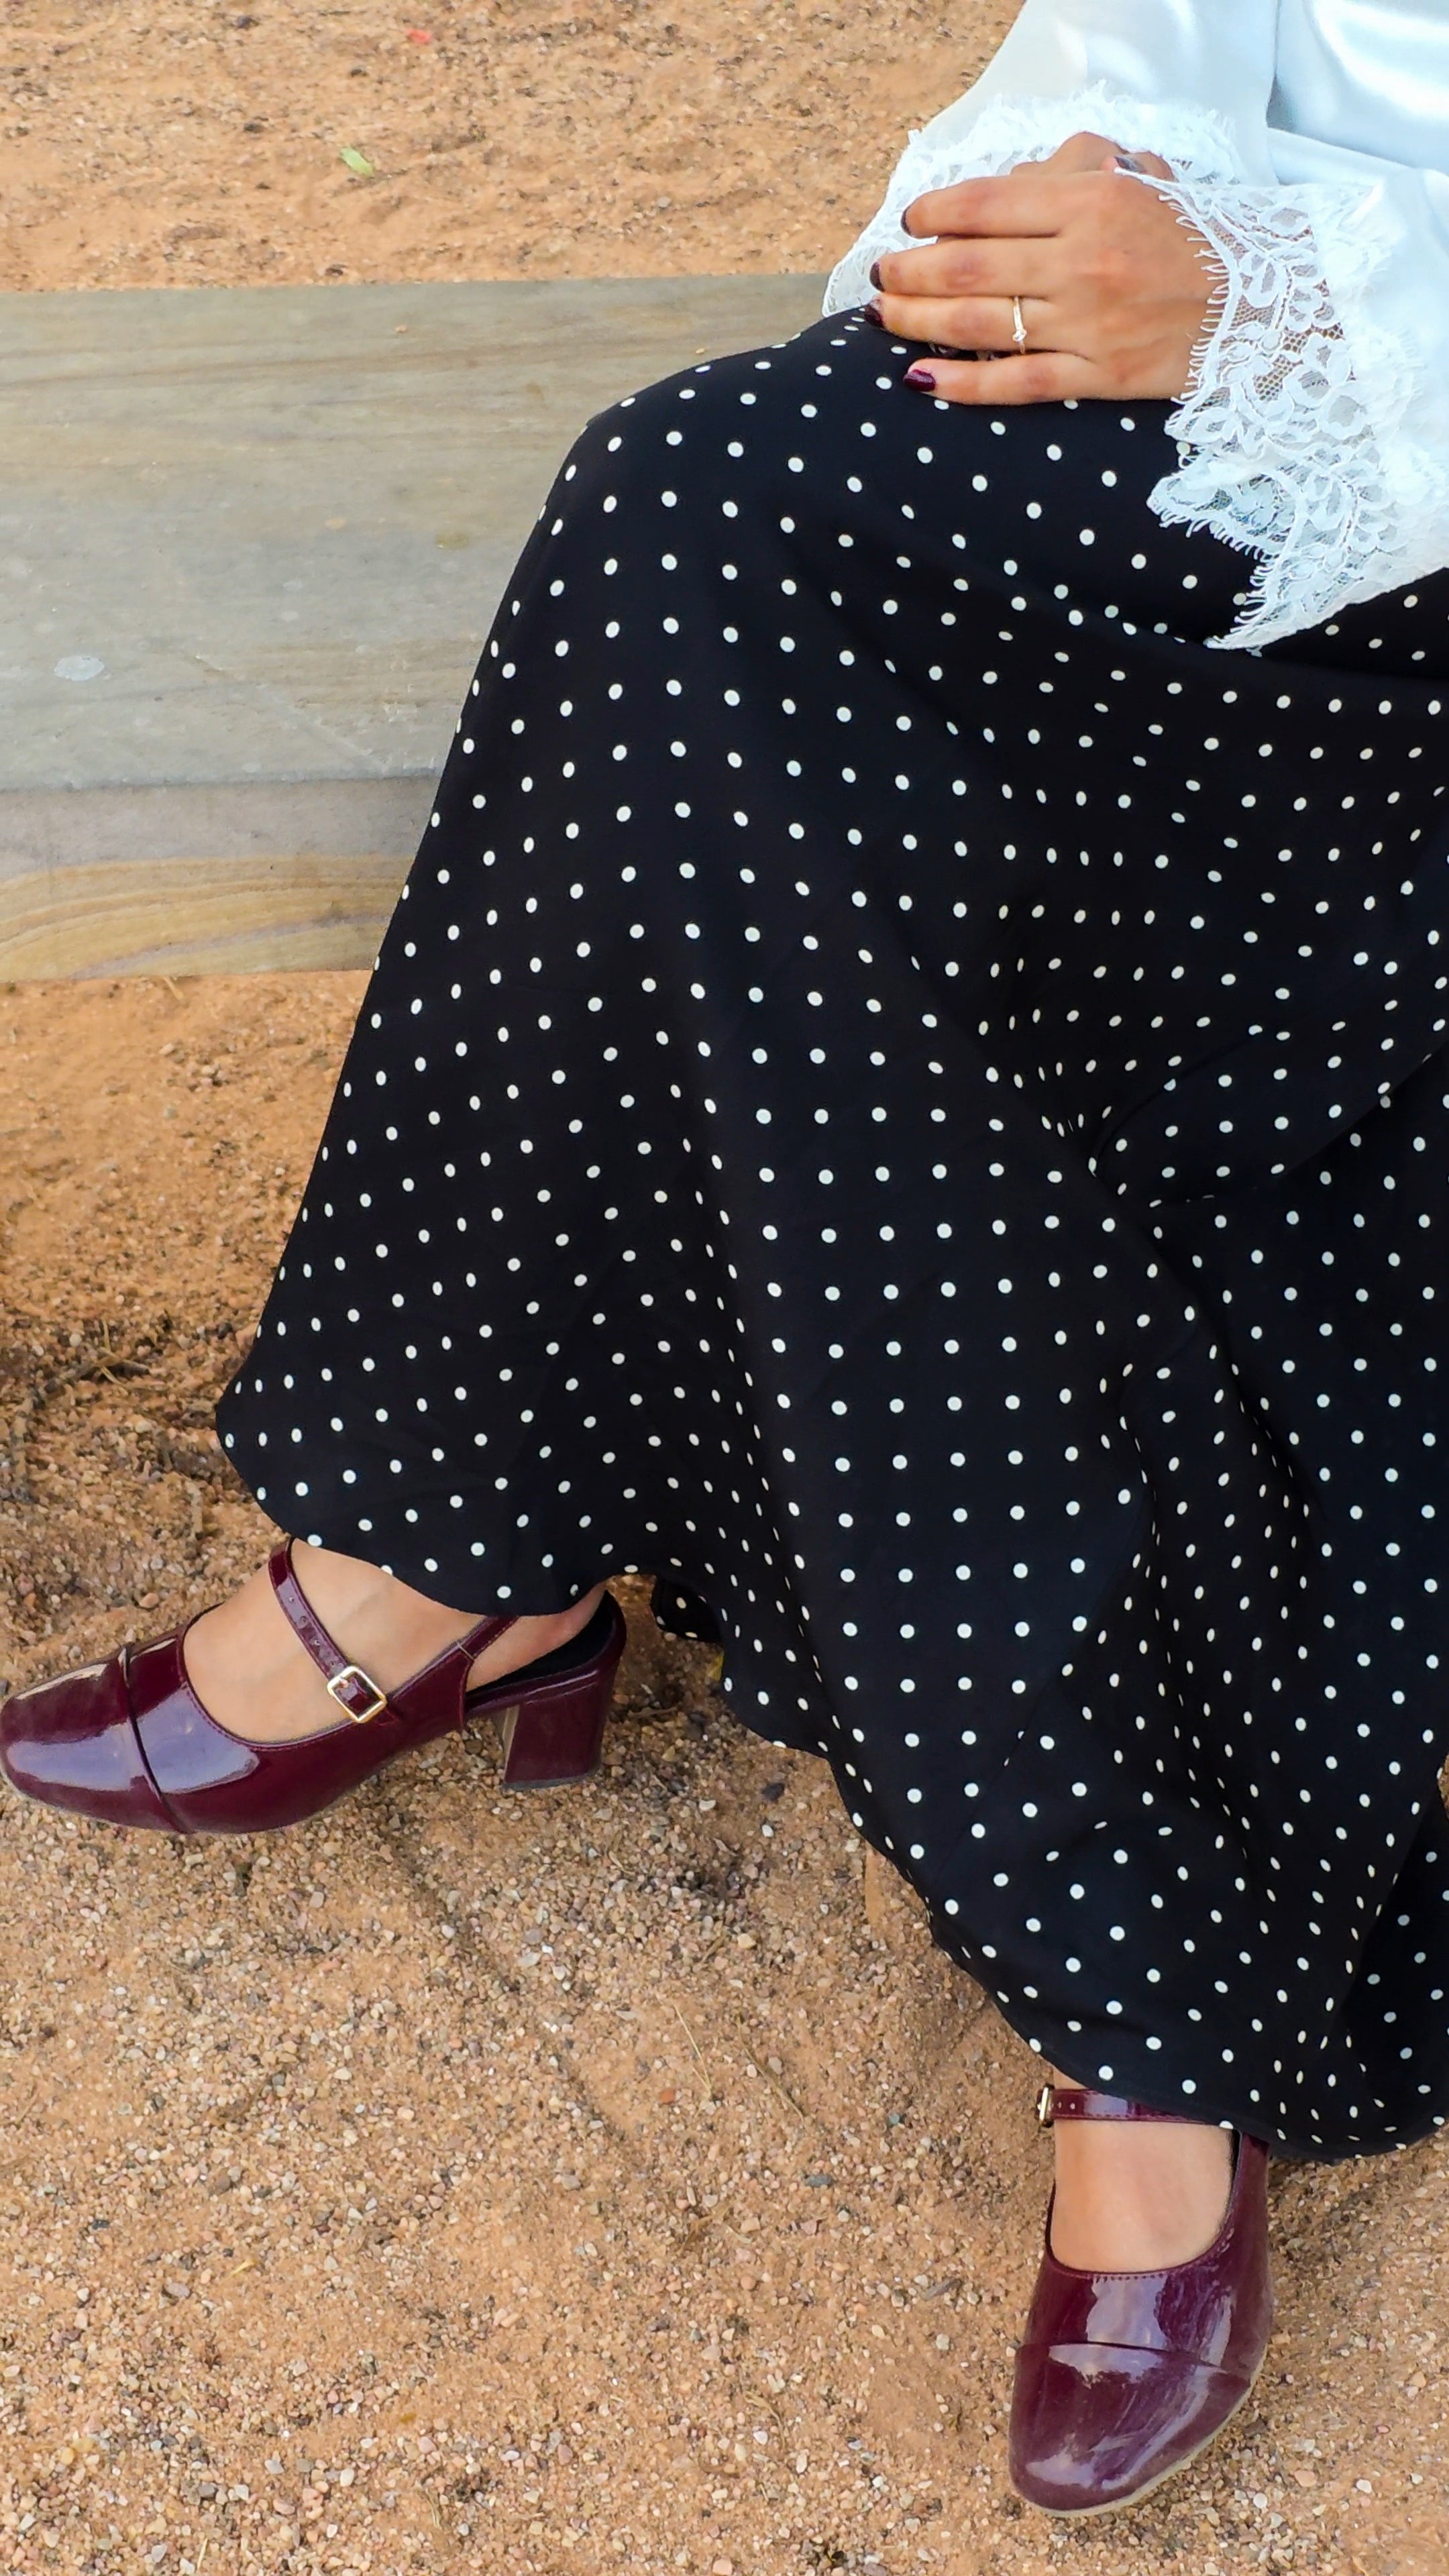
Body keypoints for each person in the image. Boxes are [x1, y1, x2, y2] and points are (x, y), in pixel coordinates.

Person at [5, 0, 1449, 2519]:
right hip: (1258, 283)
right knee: (695, 510)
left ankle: (1141, 1961)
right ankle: (462, 1541)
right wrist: (1118, 214)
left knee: (1149, 889)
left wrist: (1326, 300)